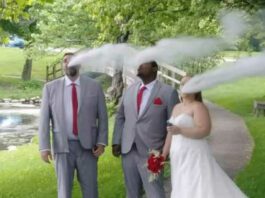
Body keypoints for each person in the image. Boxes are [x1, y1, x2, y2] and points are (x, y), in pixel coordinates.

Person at [162, 76, 247, 198]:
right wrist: (163, 154)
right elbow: (171, 132)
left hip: (194, 155)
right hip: (178, 156)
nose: (184, 87)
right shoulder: (176, 107)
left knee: (196, 186)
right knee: (182, 185)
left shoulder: (198, 107)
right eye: (182, 84)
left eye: (188, 84)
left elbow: (204, 130)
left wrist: (180, 130)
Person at [38, 52, 108, 198]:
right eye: (65, 61)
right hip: (62, 147)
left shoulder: (94, 86)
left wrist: (101, 142)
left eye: (72, 60)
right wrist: (44, 147)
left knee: (91, 191)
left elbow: (103, 117)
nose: (69, 63)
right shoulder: (50, 88)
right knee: (64, 192)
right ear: (63, 65)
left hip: (89, 148)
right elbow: (44, 119)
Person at [112, 61, 179, 198]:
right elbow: (120, 117)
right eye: (139, 63)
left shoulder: (168, 92)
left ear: (155, 68)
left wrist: (165, 152)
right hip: (128, 150)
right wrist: (116, 141)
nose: (139, 66)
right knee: (131, 193)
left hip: (153, 152)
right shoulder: (129, 90)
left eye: (144, 64)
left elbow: (173, 126)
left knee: (155, 193)